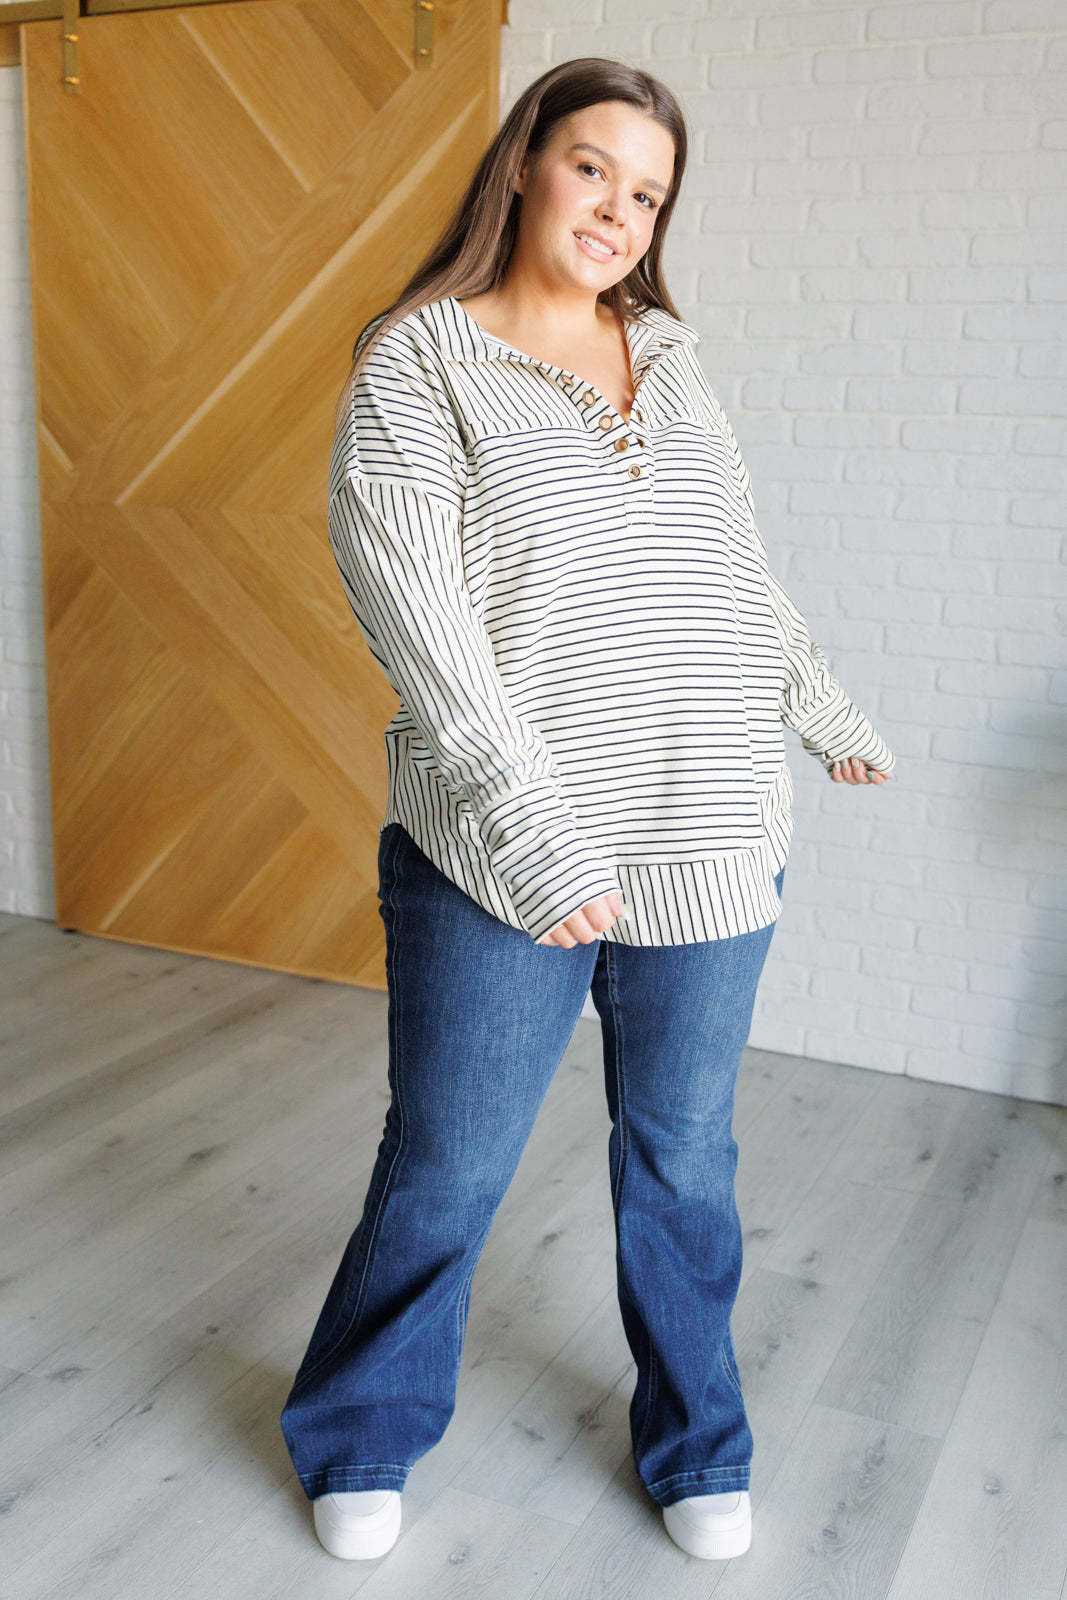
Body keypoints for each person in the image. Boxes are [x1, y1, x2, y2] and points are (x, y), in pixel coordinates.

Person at [279, 56, 894, 1565]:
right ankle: (361, 1431)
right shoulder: (419, 363)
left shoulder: (667, 352)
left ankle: (699, 1445)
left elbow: (727, 565)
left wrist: (813, 699)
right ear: (522, 166)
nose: (620, 209)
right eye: (594, 168)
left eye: (650, 191)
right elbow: (415, 615)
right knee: (447, 1163)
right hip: (500, 852)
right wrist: (533, 832)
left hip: (706, 829)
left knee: (686, 1163)